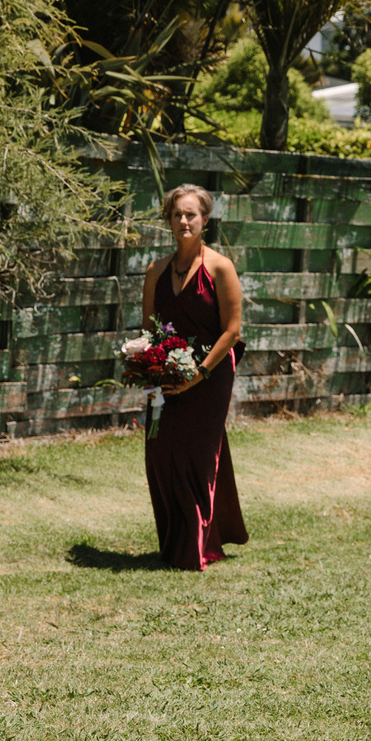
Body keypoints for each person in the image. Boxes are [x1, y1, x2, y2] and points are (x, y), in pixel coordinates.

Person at [140, 183, 248, 570]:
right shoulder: (155, 271)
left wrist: (198, 374)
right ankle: (173, 542)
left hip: (211, 375)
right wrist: (152, 371)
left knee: (198, 457)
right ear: (168, 219)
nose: (184, 220)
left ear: (205, 219)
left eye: (191, 214)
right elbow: (150, 331)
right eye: (177, 214)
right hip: (164, 377)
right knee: (159, 455)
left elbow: (232, 330)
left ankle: (197, 549)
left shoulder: (220, 267)